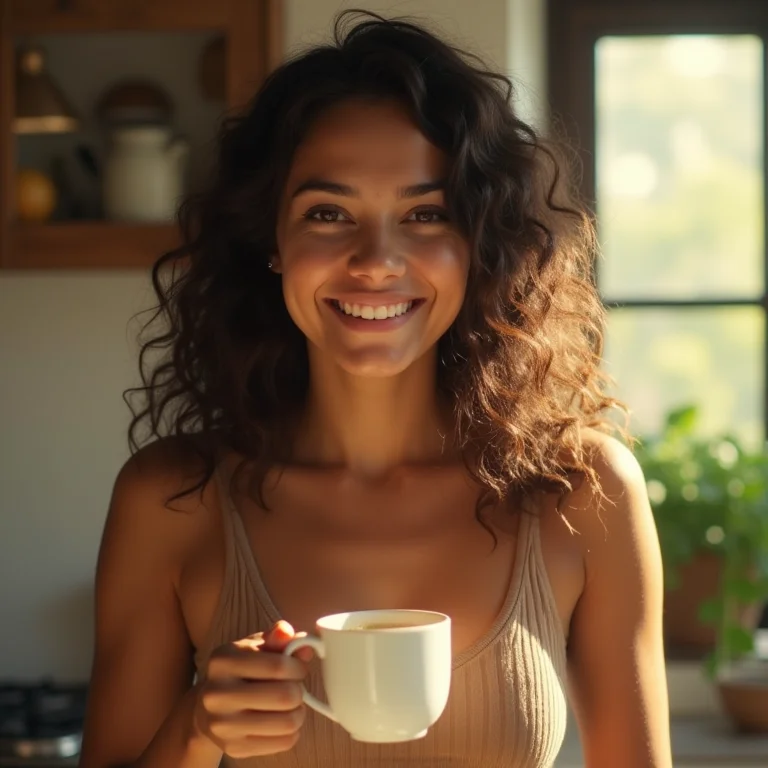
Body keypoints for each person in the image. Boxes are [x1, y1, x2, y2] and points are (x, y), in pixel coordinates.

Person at [79, 10, 672, 768]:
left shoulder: (583, 491)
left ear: (476, 246)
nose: (376, 260)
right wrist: (198, 727)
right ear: (272, 241)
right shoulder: (169, 501)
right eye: (328, 213)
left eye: (426, 214)